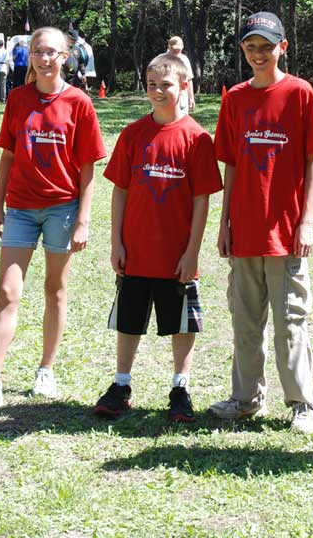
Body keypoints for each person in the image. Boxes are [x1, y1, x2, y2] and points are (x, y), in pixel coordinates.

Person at [0, 26, 106, 414]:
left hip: (63, 209)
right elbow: (7, 155)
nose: (44, 58)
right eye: (38, 51)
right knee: (8, 292)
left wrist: (84, 220)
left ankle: (46, 369)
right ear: (31, 54)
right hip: (20, 208)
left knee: (55, 289)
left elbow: (88, 168)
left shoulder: (79, 103)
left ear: (66, 56)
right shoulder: (19, 99)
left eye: (52, 52)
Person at [210, 12, 313, 434]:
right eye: (251, 47)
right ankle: (245, 399)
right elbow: (233, 165)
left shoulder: (299, 93)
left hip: (286, 230)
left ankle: (302, 403)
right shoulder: (235, 98)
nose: (259, 54)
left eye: (267, 46)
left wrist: (306, 220)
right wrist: (224, 224)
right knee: (244, 320)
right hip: (245, 229)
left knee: (290, 321)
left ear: (283, 47)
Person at [92, 53, 222, 422]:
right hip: (136, 250)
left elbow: (201, 200)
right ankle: (121, 384)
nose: (158, 91)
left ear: (183, 86)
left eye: (166, 85)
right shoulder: (134, 134)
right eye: (151, 85)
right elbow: (120, 190)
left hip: (176, 254)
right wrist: (116, 242)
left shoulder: (196, 138)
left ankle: (180, 387)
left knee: (181, 322)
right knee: (129, 319)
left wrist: (192, 252)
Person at [166, 36, 196, 113]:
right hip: (166, 100)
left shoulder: (185, 60)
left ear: (182, 47)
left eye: (178, 50)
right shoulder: (161, 60)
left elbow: (189, 80)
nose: (176, 52)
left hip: (182, 101)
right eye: (174, 50)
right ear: (169, 47)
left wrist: (191, 98)